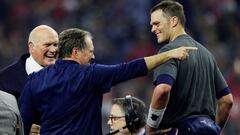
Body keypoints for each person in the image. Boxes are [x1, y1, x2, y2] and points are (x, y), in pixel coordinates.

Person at [19, 28, 197, 135]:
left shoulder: (34, 81)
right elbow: (130, 69)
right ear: (75, 52)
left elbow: (23, 122)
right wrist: (168, 54)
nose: (93, 56)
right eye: (90, 51)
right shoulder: (89, 74)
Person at [146, 1, 233, 135]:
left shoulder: (168, 51)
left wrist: (151, 126)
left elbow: (162, 90)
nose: (153, 29)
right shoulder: (207, 54)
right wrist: (214, 130)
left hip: (178, 130)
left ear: (174, 21)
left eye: (156, 23)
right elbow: (227, 101)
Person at [0, 25, 59, 135]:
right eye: (47, 45)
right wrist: (23, 130)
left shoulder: (69, 76)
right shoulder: (5, 80)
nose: (53, 50)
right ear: (31, 47)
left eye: (55, 44)